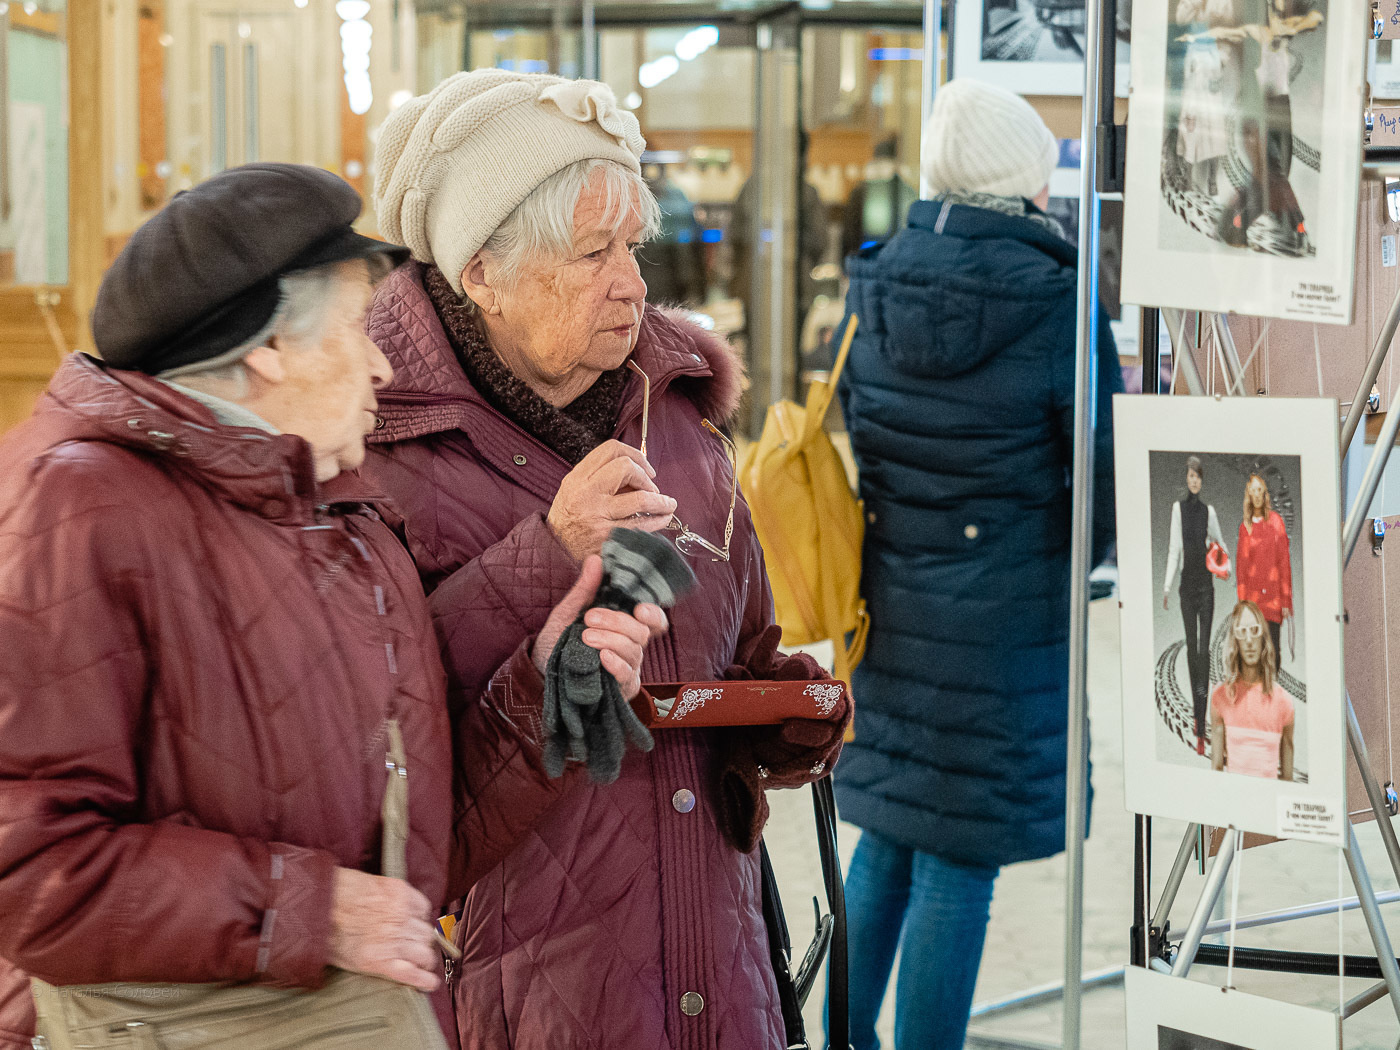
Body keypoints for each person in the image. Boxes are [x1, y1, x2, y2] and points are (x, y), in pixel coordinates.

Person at [0, 163, 659, 1050]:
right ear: (270, 347)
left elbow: (405, 862)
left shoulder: (335, 513)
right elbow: (27, 865)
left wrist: (547, 694)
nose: (384, 362)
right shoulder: (80, 509)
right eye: (355, 325)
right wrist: (311, 913)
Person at [365, 71, 850, 1050]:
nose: (630, 280)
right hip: (523, 1003)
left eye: (630, 244)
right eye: (592, 252)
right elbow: (372, 744)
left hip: (718, 982)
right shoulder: (379, 453)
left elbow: (741, 641)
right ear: (483, 272)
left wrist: (780, 714)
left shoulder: (678, 420)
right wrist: (549, 555)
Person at [832, 78, 1122, 1050]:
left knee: (894, 831)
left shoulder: (875, 281)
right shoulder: (1055, 297)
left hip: (893, 603)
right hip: (1003, 622)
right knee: (961, 857)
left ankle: (836, 1037)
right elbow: (1102, 477)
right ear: (1026, 175)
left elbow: (862, 433)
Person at [1162, 455, 1231, 755]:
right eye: (1190, 476)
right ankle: (1197, 718)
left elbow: (1222, 544)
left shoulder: (1209, 511)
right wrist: (1166, 586)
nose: (1194, 481)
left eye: (1198, 477)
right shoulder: (1178, 510)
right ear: (1186, 478)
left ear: (1202, 481)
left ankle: (1201, 731)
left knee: (1204, 652)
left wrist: (1224, 565)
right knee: (1193, 651)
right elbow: (1174, 549)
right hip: (1186, 590)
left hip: (1206, 589)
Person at [1210, 600, 1295, 780]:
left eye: (1254, 630)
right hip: (1234, 803)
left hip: (1268, 805)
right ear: (1235, 641)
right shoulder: (1220, 697)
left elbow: (1288, 781)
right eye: (1242, 632)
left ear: (1263, 636)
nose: (1249, 640)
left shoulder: (1283, 703)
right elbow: (1216, 768)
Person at [1234, 471, 1292, 671]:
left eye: (1260, 490)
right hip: (1252, 602)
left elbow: (1284, 561)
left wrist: (1286, 600)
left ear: (1264, 493)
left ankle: (1272, 695)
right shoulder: (1245, 527)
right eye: (1253, 491)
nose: (1257, 494)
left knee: (1273, 649)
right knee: (1254, 653)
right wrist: (1242, 603)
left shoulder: (1276, 522)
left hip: (1274, 599)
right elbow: (1241, 567)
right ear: (1249, 495)